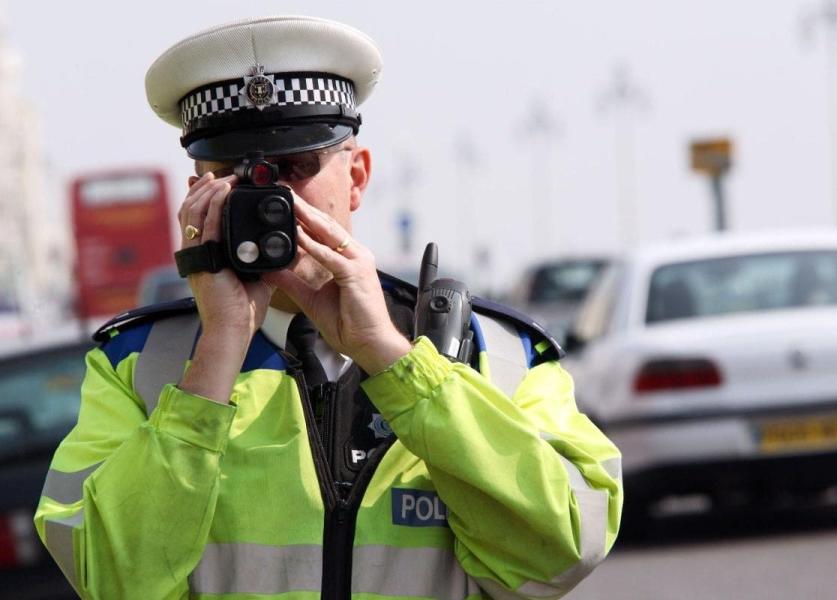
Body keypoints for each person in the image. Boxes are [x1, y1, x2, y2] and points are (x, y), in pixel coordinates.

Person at [35, 16, 622, 600]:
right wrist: (216, 353)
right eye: (231, 177)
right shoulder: (141, 365)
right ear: (195, 194)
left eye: (294, 170)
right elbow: (111, 579)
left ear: (358, 176)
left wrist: (397, 365)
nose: (269, 200)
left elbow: (564, 548)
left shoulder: (491, 354)